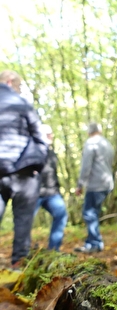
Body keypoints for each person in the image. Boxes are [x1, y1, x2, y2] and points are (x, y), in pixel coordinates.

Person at [0, 70, 48, 266]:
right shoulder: (22, 103)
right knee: (22, 227)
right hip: (23, 173)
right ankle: (17, 276)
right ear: (10, 82)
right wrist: (37, 163)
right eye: (19, 87)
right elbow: (40, 137)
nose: (19, 91)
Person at [74, 122, 114, 253]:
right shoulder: (107, 144)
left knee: (89, 213)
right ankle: (92, 242)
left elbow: (86, 166)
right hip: (107, 183)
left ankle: (95, 243)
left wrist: (80, 184)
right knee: (93, 213)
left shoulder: (91, 143)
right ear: (100, 130)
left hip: (96, 184)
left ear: (89, 132)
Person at [34, 124, 68, 251]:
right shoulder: (33, 152)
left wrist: (58, 190)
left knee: (61, 214)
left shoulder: (52, 153)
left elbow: (53, 174)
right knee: (25, 221)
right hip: (35, 194)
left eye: (51, 133)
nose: (51, 136)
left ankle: (54, 250)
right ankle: (22, 253)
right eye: (48, 133)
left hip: (52, 193)